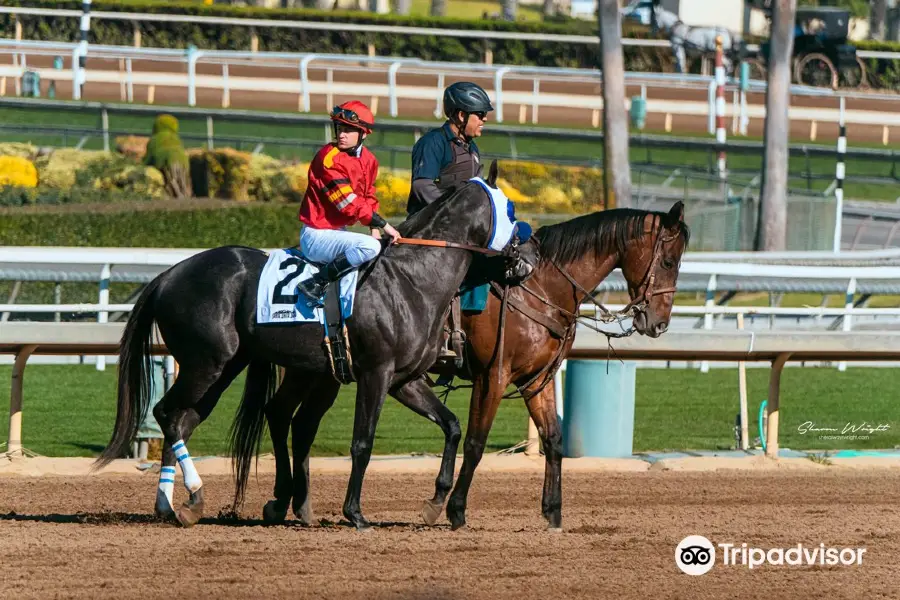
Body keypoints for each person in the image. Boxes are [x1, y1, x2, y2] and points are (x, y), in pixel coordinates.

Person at [296, 100, 401, 305]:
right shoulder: (328, 159)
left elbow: (368, 196)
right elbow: (349, 203)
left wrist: (375, 229)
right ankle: (316, 282)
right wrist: (384, 225)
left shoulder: (370, 160)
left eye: (348, 130)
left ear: (363, 133)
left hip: (339, 232)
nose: (341, 134)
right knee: (370, 247)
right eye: (339, 128)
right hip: (316, 236)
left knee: (376, 245)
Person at [406, 81, 495, 217]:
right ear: (461, 116)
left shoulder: (472, 147)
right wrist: (454, 213)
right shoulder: (434, 142)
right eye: (480, 114)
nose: (485, 119)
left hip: (459, 227)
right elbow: (422, 185)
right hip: (428, 228)